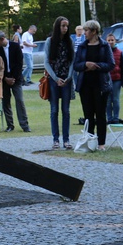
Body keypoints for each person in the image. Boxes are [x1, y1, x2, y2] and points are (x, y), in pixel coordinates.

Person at [74, 20, 115, 151]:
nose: (84, 33)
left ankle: (101, 143)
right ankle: (89, 142)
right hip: (85, 84)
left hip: (101, 85)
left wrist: (96, 66)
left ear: (94, 31)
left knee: (101, 115)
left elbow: (111, 64)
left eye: (86, 31)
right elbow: (76, 65)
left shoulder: (104, 46)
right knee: (88, 115)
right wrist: (86, 64)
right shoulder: (82, 46)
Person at [43, 17, 75, 150]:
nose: (65, 28)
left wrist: (68, 77)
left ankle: (66, 140)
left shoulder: (69, 41)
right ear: (58, 26)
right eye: (63, 26)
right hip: (53, 79)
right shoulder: (50, 41)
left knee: (66, 111)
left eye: (67, 26)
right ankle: (56, 139)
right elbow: (46, 62)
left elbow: (72, 61)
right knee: (54, 110)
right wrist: (55, 78)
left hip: (66, 79)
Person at [0, 30, 31, 133]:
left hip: (16, 79)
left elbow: (19, 63)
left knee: (19, 100)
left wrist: (13, 78)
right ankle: (10, 125)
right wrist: (5, 78)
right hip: (4, 79)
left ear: (2, 39)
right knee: (6, 102)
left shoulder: (15, 46)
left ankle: (25, 125)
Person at [106, 34, 123, 124]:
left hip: (117, 79)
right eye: (109, 40)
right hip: (106, 79)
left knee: (115, 99)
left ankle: (116, 118)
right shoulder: (103, 52)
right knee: (107, 100)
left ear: (115, 41)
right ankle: (109, 118)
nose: (111, 42)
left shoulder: (120, 52)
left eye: (112, 40)